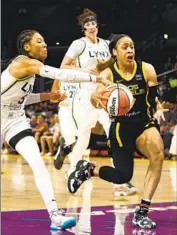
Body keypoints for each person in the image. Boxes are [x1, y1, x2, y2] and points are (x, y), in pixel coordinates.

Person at [1, 29, 105, 230]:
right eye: (39, 41)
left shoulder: (29, 70)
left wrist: (48, 96)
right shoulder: (24, 62)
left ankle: (55, 215)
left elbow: (20, 100)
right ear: (27, 46)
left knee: (37, 162)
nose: (45, 45)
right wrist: (93, 78)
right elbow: (59, 73)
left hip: (15, 120)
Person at [67, 34, 166, 229]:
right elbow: (94, 97)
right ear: (115, 52)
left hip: (144, 123)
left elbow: (153, 97)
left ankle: (142, 211)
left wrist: (159, 107)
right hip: (121, 127)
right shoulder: (108, 75)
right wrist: (100, 100)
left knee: (158, 155)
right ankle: (88, 170)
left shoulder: (147, 70)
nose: (130, 50)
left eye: (132, 46)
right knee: (123, 176)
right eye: (125, 47)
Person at [53, 9, 137, 195]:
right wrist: (85, 71)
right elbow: (63, 66)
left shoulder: (107, 44)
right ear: (83, 29)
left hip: (106, 93)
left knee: (113, 133)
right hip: (85, 94)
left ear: (98, 27)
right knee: (82, 139)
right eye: (88, 25)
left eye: (94, 24)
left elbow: (117, 61)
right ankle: (74, 169)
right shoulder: (79, 44)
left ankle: (122, 183)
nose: (91, 27)